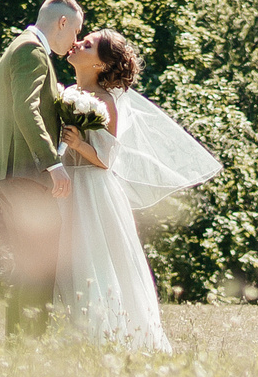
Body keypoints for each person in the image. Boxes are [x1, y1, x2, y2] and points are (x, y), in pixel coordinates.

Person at [49, 28, 221, 351]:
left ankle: (109, 336)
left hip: (95, 192)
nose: (78, 43)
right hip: (71, 186)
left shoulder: (106, 102)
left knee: (96, 259)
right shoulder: (70, 92)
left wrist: (77, 144)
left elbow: (107, 159)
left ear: (99, 65)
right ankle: (71, 335)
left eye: (88, 45)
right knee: (68, 259)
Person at [0, 0, 82, 336]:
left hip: (9, 173)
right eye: (75, 33)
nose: (75, 43)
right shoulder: (32, 50)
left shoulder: (19, 47)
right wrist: (52, 163)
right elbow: (27, 109)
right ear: (62, 22)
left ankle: (17, 344)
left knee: (28, 264)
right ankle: (31, 343)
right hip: (25, 172)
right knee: (41, 263)